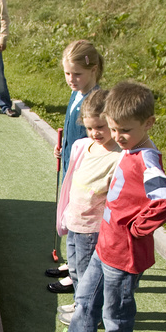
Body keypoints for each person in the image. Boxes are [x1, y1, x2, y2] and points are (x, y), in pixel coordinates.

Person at [41, 81, 166, 332]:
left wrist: (137, 228)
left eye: (125, 130)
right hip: (106, 245)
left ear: (149, 123)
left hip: (124, 254)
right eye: (114, 129)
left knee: (115, 312)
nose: (117, 137)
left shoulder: (146, 158)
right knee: (86, 298)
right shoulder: (129, 149)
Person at [54, 88, 121, 326]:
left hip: (92, 227)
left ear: (113, 122)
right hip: (76, 219)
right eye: (90, 127)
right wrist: (62, 152)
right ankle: (80, 304)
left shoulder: (118, 156)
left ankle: (90, 313)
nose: (94, 133)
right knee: (74, 269)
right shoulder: (85, 145)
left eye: (100, 127)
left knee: (86, 275)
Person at [47, 39, 104, 294]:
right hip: (71, 165)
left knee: (79, 223)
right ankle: (72, 265)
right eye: (67, 73)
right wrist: (63, 147)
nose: (71, 79)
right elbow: (72, 130)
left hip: (84, 174)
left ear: (93, 70)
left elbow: (96, 141)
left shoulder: (95, 102)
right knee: (69, 217)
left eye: (77, 74)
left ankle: (78, 273)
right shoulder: (76, 94)